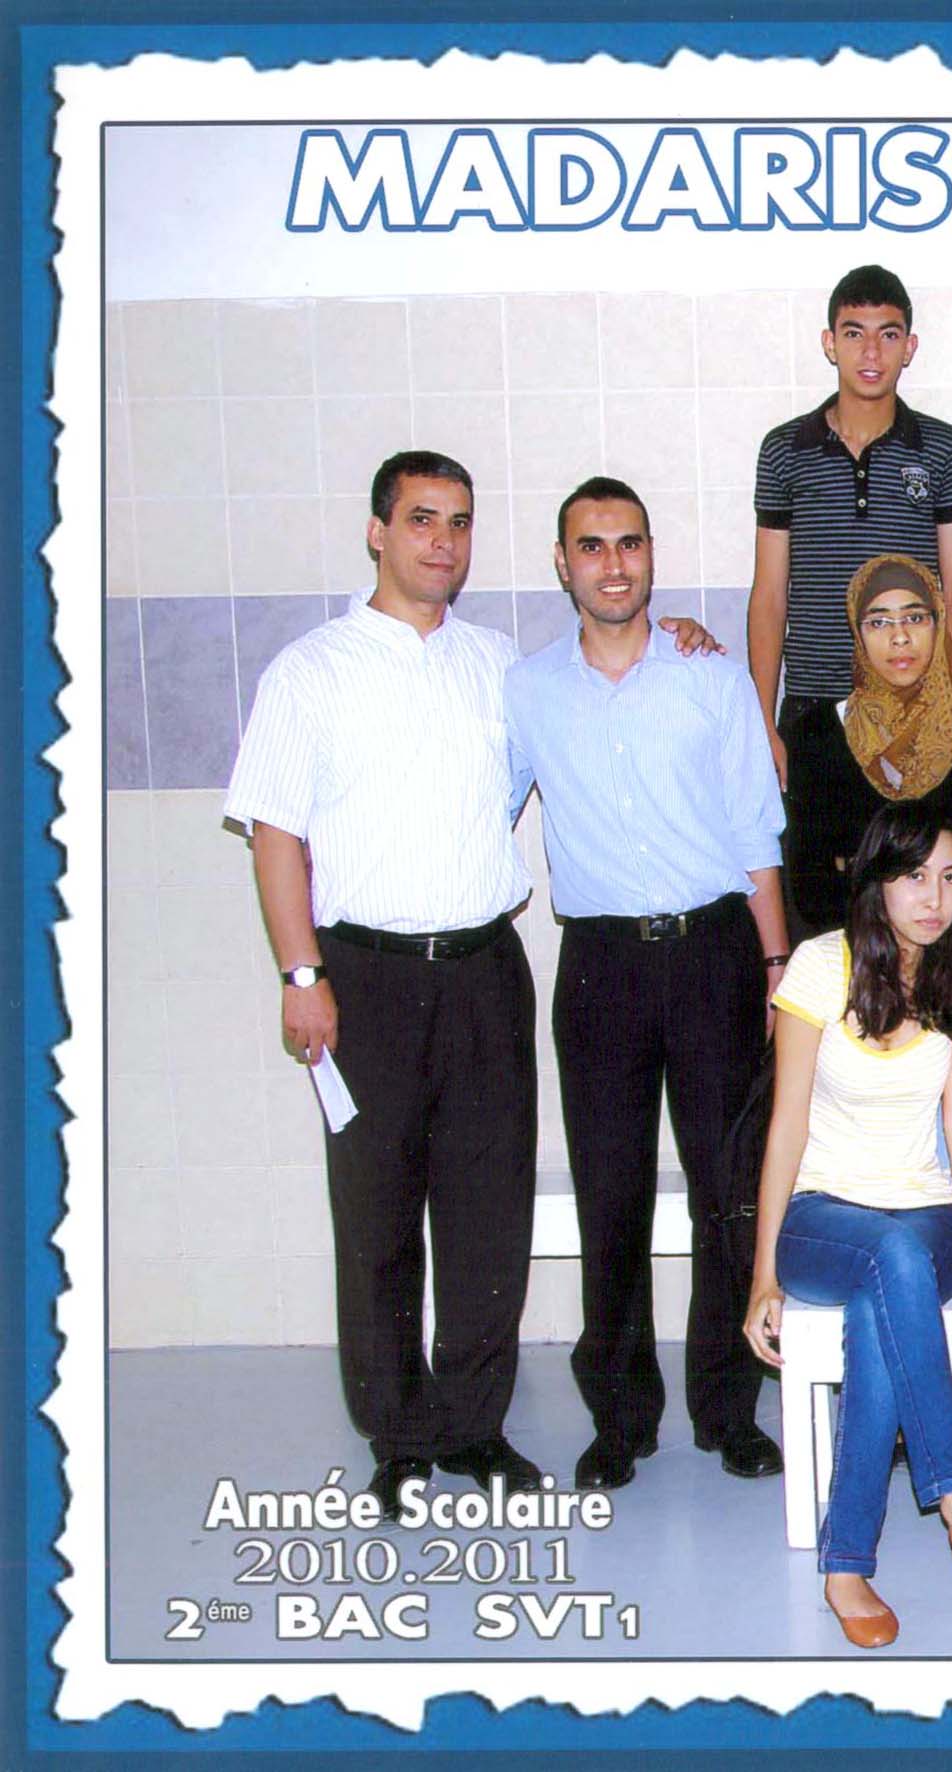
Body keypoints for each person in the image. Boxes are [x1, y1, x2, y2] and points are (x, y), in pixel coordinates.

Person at [224, 450, 540, 1518]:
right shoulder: (310, 670)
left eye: (459, 521)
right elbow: (275, 835)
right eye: (420, 519)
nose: (442, 541)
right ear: (377, 531)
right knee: (377, 1217)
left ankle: (476, 1426)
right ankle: (398, 1437)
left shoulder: (497, 663)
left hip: (485, 971)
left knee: (488, 1212)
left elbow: (560, 741)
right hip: (362, 978)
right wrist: (300, 971)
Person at [503, 477, 791, 1491]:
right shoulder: (528, 689)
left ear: (651, 554)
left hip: (715, 954)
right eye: (591, 546)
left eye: (629, 543)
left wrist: (774, 969)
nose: (613, 564)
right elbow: (482, 809)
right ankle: (619, 1419)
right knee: (610, 1195)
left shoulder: (709, 676)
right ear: (562, 563)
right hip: (602, 968)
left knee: (728, 1193)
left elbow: (756, 833)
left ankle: (728, 1410)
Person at [741, 806, 952, 1649]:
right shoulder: (819, 966)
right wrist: (763, 1276)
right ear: (876, 881)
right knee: (887, 1261)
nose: (934, 898)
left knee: (887, 1291)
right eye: (913, 877)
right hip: (822, 1217)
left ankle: (845, 1566)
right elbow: (786, 1125)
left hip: (924, 1217)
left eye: (950, 877)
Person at [751, 265, 952, 920]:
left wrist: (951, 707)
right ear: (829, 343)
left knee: (913, 904)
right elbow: (769, 595)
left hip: (910, 715)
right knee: (821, 913)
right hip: (815, 713)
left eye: (887, 334)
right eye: (854, 333)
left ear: (910, 346)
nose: (871, 351)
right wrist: (764, 723)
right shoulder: (784, 450)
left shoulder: (940, 446)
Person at [783, 552, 952, 934]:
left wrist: (861, 866)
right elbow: (812, 891)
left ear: (938, 623)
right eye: (878, 622)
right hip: (857, 952)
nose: (900, 636)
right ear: (857, 633)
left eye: (915, 618)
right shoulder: (817, 736)